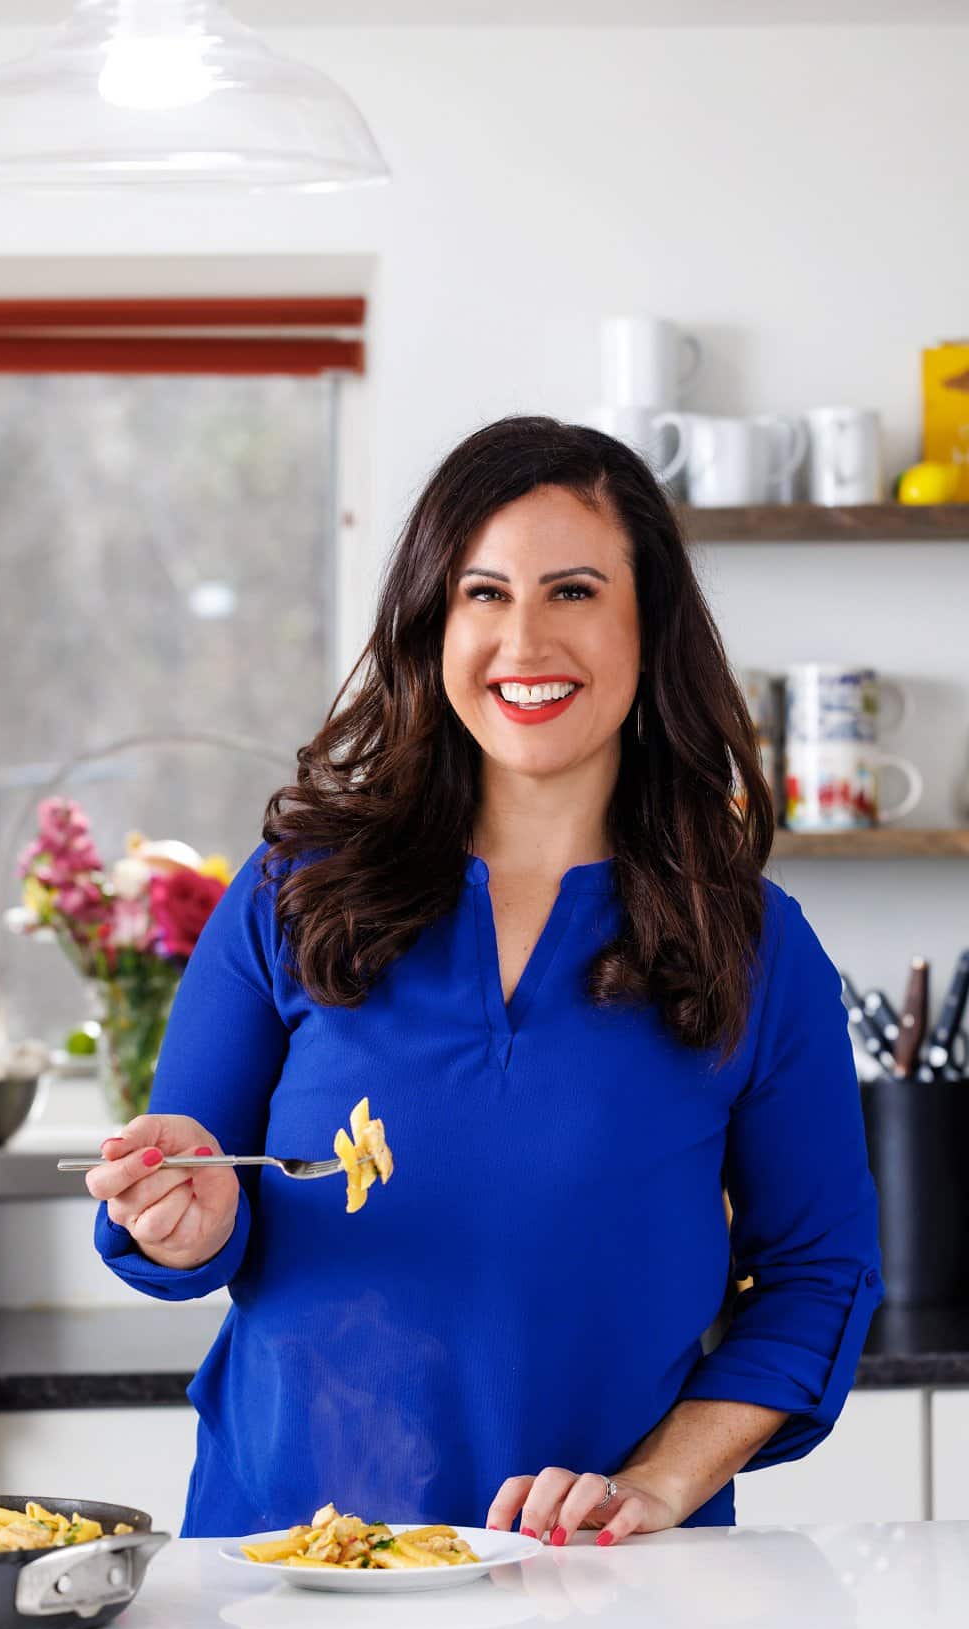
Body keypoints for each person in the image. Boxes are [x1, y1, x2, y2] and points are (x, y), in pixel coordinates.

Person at [86, 415, 883, 1545]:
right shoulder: (289, 895)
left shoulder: (750, 939)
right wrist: (180, 1219)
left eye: (572, 592)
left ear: (647, 627)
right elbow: (194, 1202)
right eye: (484, 593)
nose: (525, 641)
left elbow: (819, 1271)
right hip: (290, 1576)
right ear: (432, 623)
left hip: (599, 1594)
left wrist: (657, 1483)